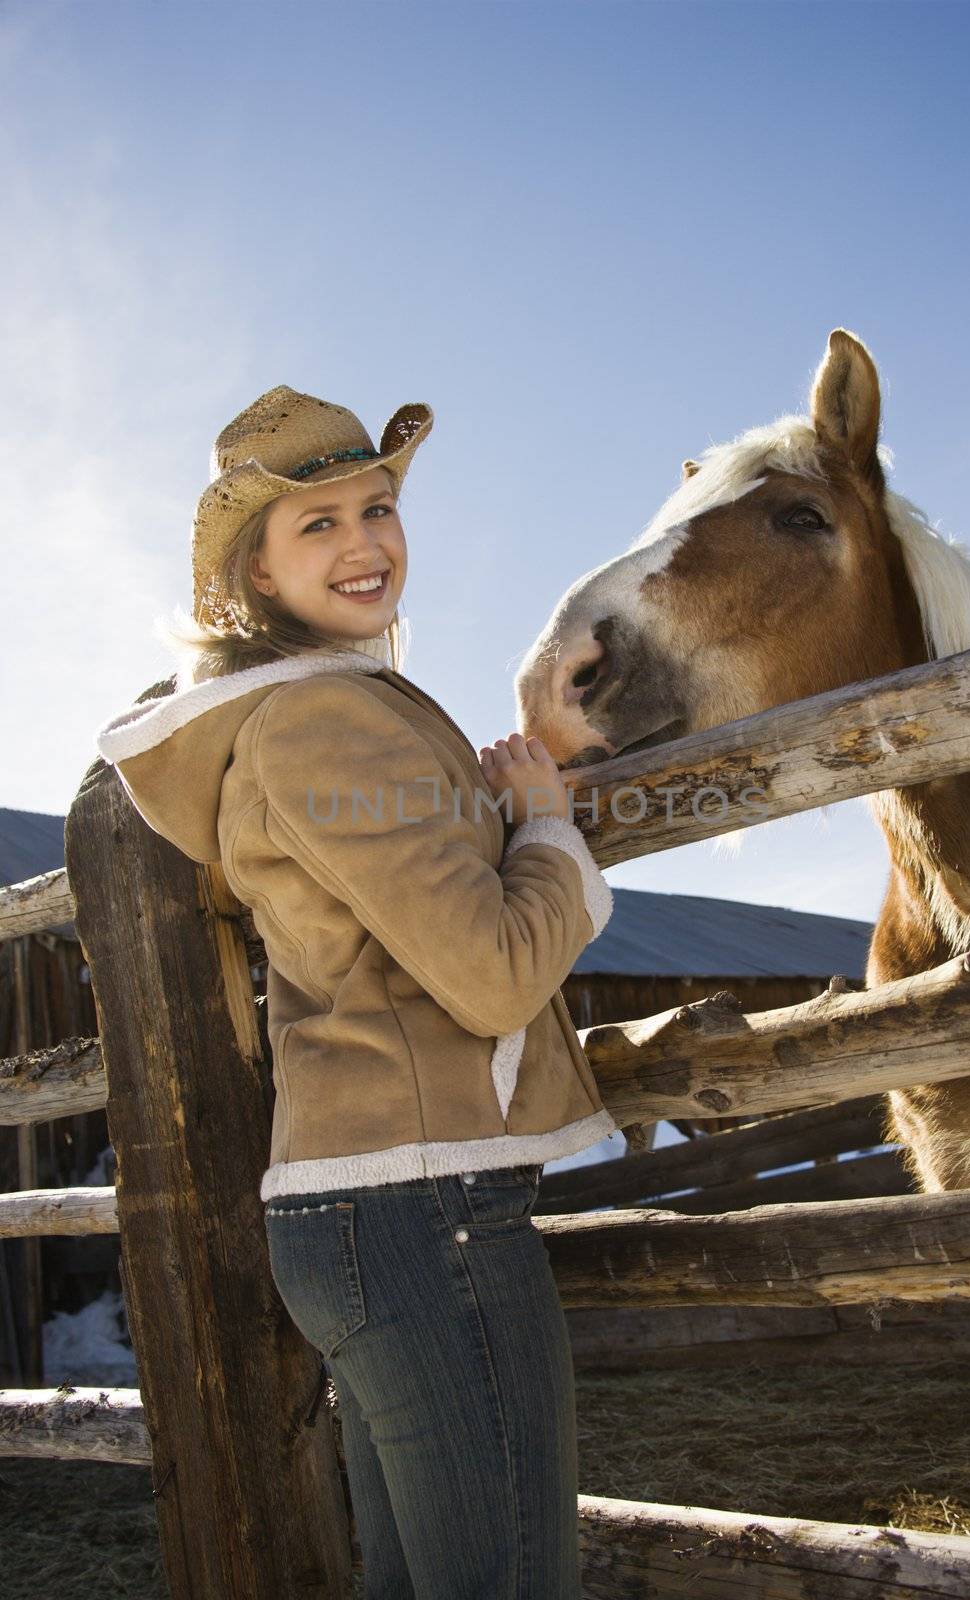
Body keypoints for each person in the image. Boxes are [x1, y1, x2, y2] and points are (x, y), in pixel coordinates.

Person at [94, 383, 617, 1599]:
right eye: (314, 525)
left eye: (373, 507)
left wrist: (504, 780)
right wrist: (544, 830)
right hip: (421, 1209)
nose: (362, 540)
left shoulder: (309, 715)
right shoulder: (324, 720)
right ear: (258, 576)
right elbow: (488, 973)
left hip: (377, 1211)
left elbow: (399, 894)